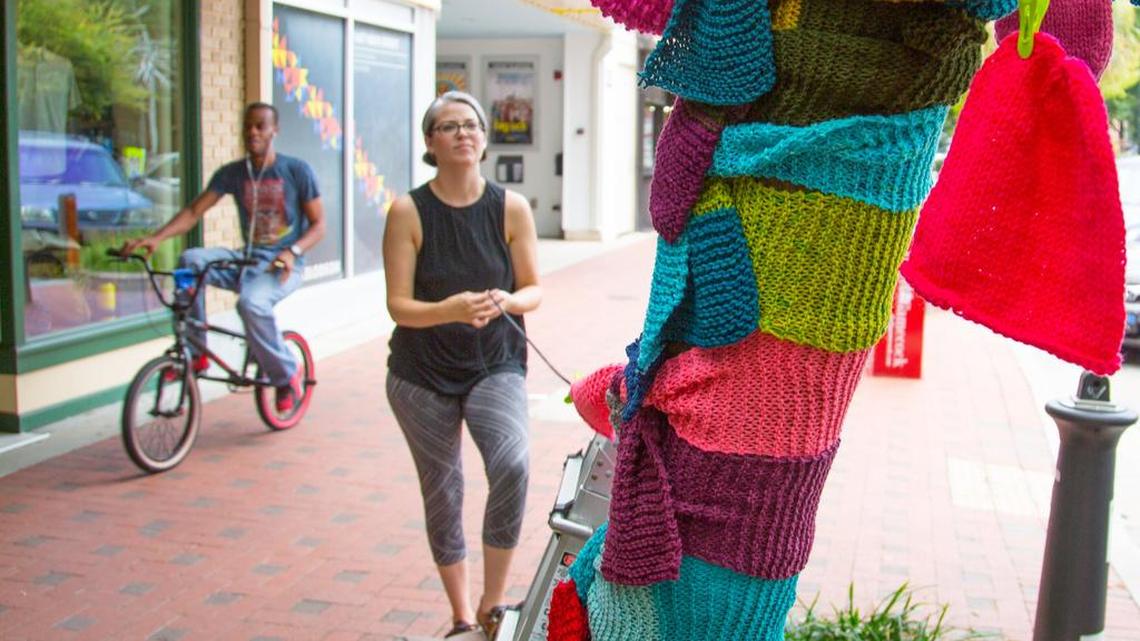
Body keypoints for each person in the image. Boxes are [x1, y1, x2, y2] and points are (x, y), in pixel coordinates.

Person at [383, 91, 542, 639]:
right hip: (419, 374)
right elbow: (397, 306)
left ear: (483, 136)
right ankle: (458, 615)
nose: (463, 134)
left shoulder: (510, 207)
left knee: (513, 464)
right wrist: (448, 309)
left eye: (471, 124)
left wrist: (508, 300)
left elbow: (534, 290)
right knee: (443, 486)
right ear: (431, 142)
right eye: (448, 127)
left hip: (493, 362)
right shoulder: (408, 211)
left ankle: (491, 605)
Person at [122, 102, 325, 412]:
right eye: (248, 126)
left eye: (260, 126)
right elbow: (193, 212)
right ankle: (196, 350)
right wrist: (155, 238)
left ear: (275, 130)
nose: (252, 132)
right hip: (246, 260)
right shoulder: (233, 174)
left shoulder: (296, 170)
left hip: (281, 266)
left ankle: (286, 376)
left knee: (250, 303)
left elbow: (319, 225)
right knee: (190, 261)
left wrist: (291, 251)